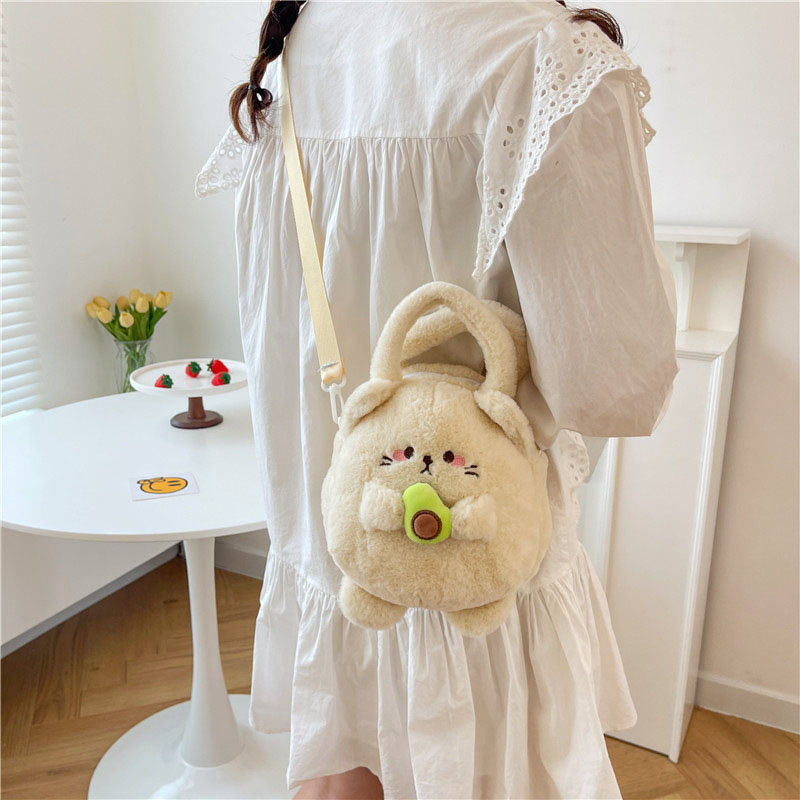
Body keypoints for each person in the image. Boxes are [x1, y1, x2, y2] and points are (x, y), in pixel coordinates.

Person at [194, 1, 679, 797]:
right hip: (485, 582)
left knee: (344, 775)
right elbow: (612, 384)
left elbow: (276, 326)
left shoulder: (294, 58)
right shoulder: (543, 60)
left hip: (336, 553)